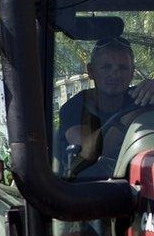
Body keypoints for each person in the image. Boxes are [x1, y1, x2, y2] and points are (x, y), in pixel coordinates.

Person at [57, 37, 154, 178]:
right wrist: (129, 119)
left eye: (123, 68)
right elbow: (87, 153)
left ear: (132, 72)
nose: (115, 74)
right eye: (106, 67)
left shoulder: (142, 97)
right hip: (84, 188)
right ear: (91, 71)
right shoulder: (75, 107)